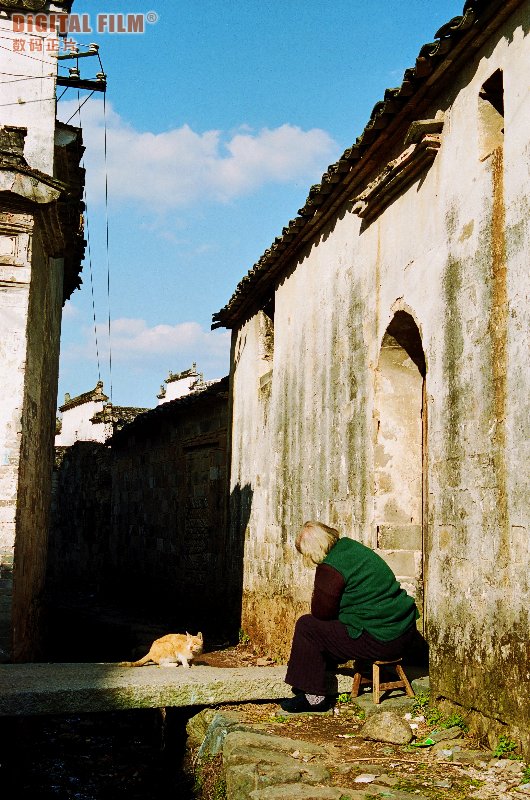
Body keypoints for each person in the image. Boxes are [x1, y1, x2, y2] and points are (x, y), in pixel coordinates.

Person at [281, 520, 418, 713]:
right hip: (404, 633)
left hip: (382, 639)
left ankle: (314, 698)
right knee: (333, 626)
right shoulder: (351, 547)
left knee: (307, 627)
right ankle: (311, 678)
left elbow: (321, 613)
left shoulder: (330, 568)